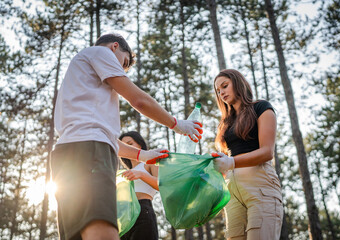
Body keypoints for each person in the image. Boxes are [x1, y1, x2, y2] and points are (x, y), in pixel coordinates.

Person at [50, 33, 203, 240]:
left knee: (77, 233)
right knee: (100, 226)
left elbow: (105, 136)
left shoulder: (79, 82)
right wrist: (177, 124)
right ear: (115, 47)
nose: (121, 71)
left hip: (65, 155)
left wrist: (143, 155)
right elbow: (138, 101)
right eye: (124, 63)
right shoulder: (101, 53)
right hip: (92, 151)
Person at [211, 69, 283, 240]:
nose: (221, 93)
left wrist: (231, 162)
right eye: (218, 90)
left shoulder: (261, 107)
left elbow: (267, 152)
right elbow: (226, 162)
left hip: (260, 186)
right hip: (232, 193)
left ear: (238, 83)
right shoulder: (226, 124)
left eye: (225, 86)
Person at [119, 131, 160, 240]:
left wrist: (141, 174)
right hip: (124, 216)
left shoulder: (149, 163)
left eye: (130, 144)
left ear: (140, 145)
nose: (127, 148)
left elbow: (161, 185)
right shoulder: (124, 172)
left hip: (143, 210)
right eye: (124, 146)